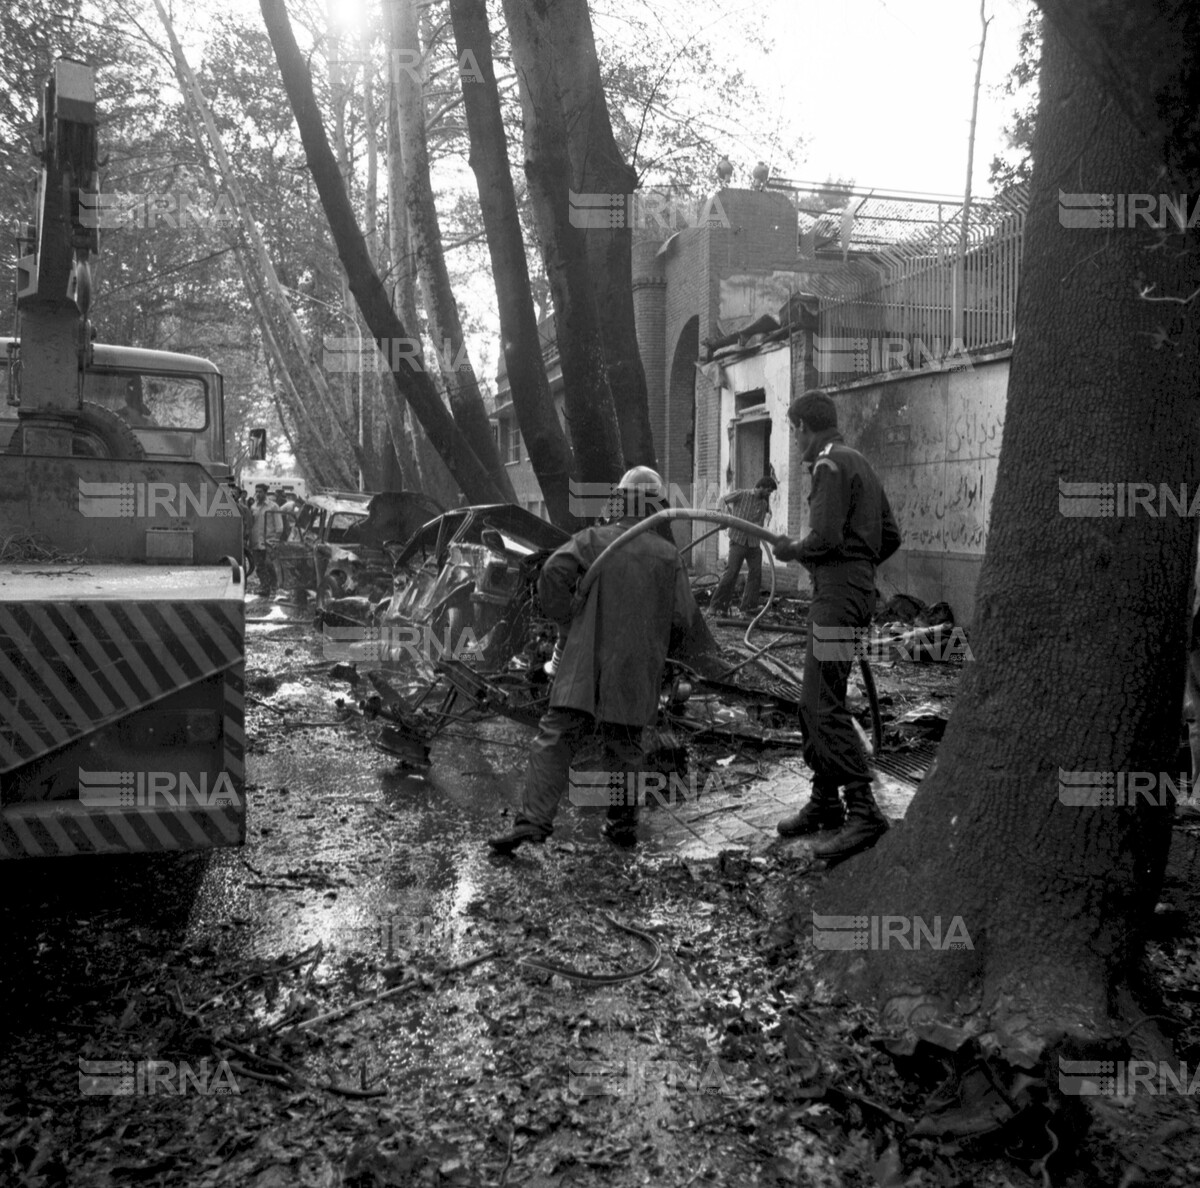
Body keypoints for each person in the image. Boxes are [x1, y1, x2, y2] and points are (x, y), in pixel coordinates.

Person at [488, 467, 698, 854]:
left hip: (585, 663)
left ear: (620, 501)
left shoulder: (593, 541)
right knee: (626, 747)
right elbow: (682, 618)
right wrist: (659, 653)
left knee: (555, 737)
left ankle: (532, 821)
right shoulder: (668, 556)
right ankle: (620, 829)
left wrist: (568, 616)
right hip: (634, 669)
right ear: (654, 508)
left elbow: (551, 573)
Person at [773, 392, 901, 862]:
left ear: (804, 426)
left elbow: (824, 538)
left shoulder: (827, 465)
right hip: (853, 594)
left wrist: (793, 551)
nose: (797, 440)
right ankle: (825, 800)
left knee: (820, 703)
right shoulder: (858, 462)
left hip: (836, 597)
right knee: (818, 698)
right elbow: (891, 536)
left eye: (794, 430)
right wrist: (860, 568)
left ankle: (862, 809)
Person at [708, 475, 778, 617]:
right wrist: (722, 516)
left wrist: (764, 522)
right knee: (731, 573)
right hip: (738, 541)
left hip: (753, 544)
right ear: (762, 487)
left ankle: (747, 608)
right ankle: (716, 606)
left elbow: (759, 524)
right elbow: (722, 499)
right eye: (769, 491)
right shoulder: (741, 494)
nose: (769, 494)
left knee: (756, 574)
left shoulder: (764, 504)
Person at [247, 484, 286, 597]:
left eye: (260, 492)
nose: (258, 494)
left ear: (265, 493)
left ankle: (274, 586)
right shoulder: (253, 507)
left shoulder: (273, 507)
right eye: (256, 491)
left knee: (269, 564)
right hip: (256, 541)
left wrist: (275, 540)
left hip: (269, 542)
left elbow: (279, 526)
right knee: (259, 566)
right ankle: (265, 587)